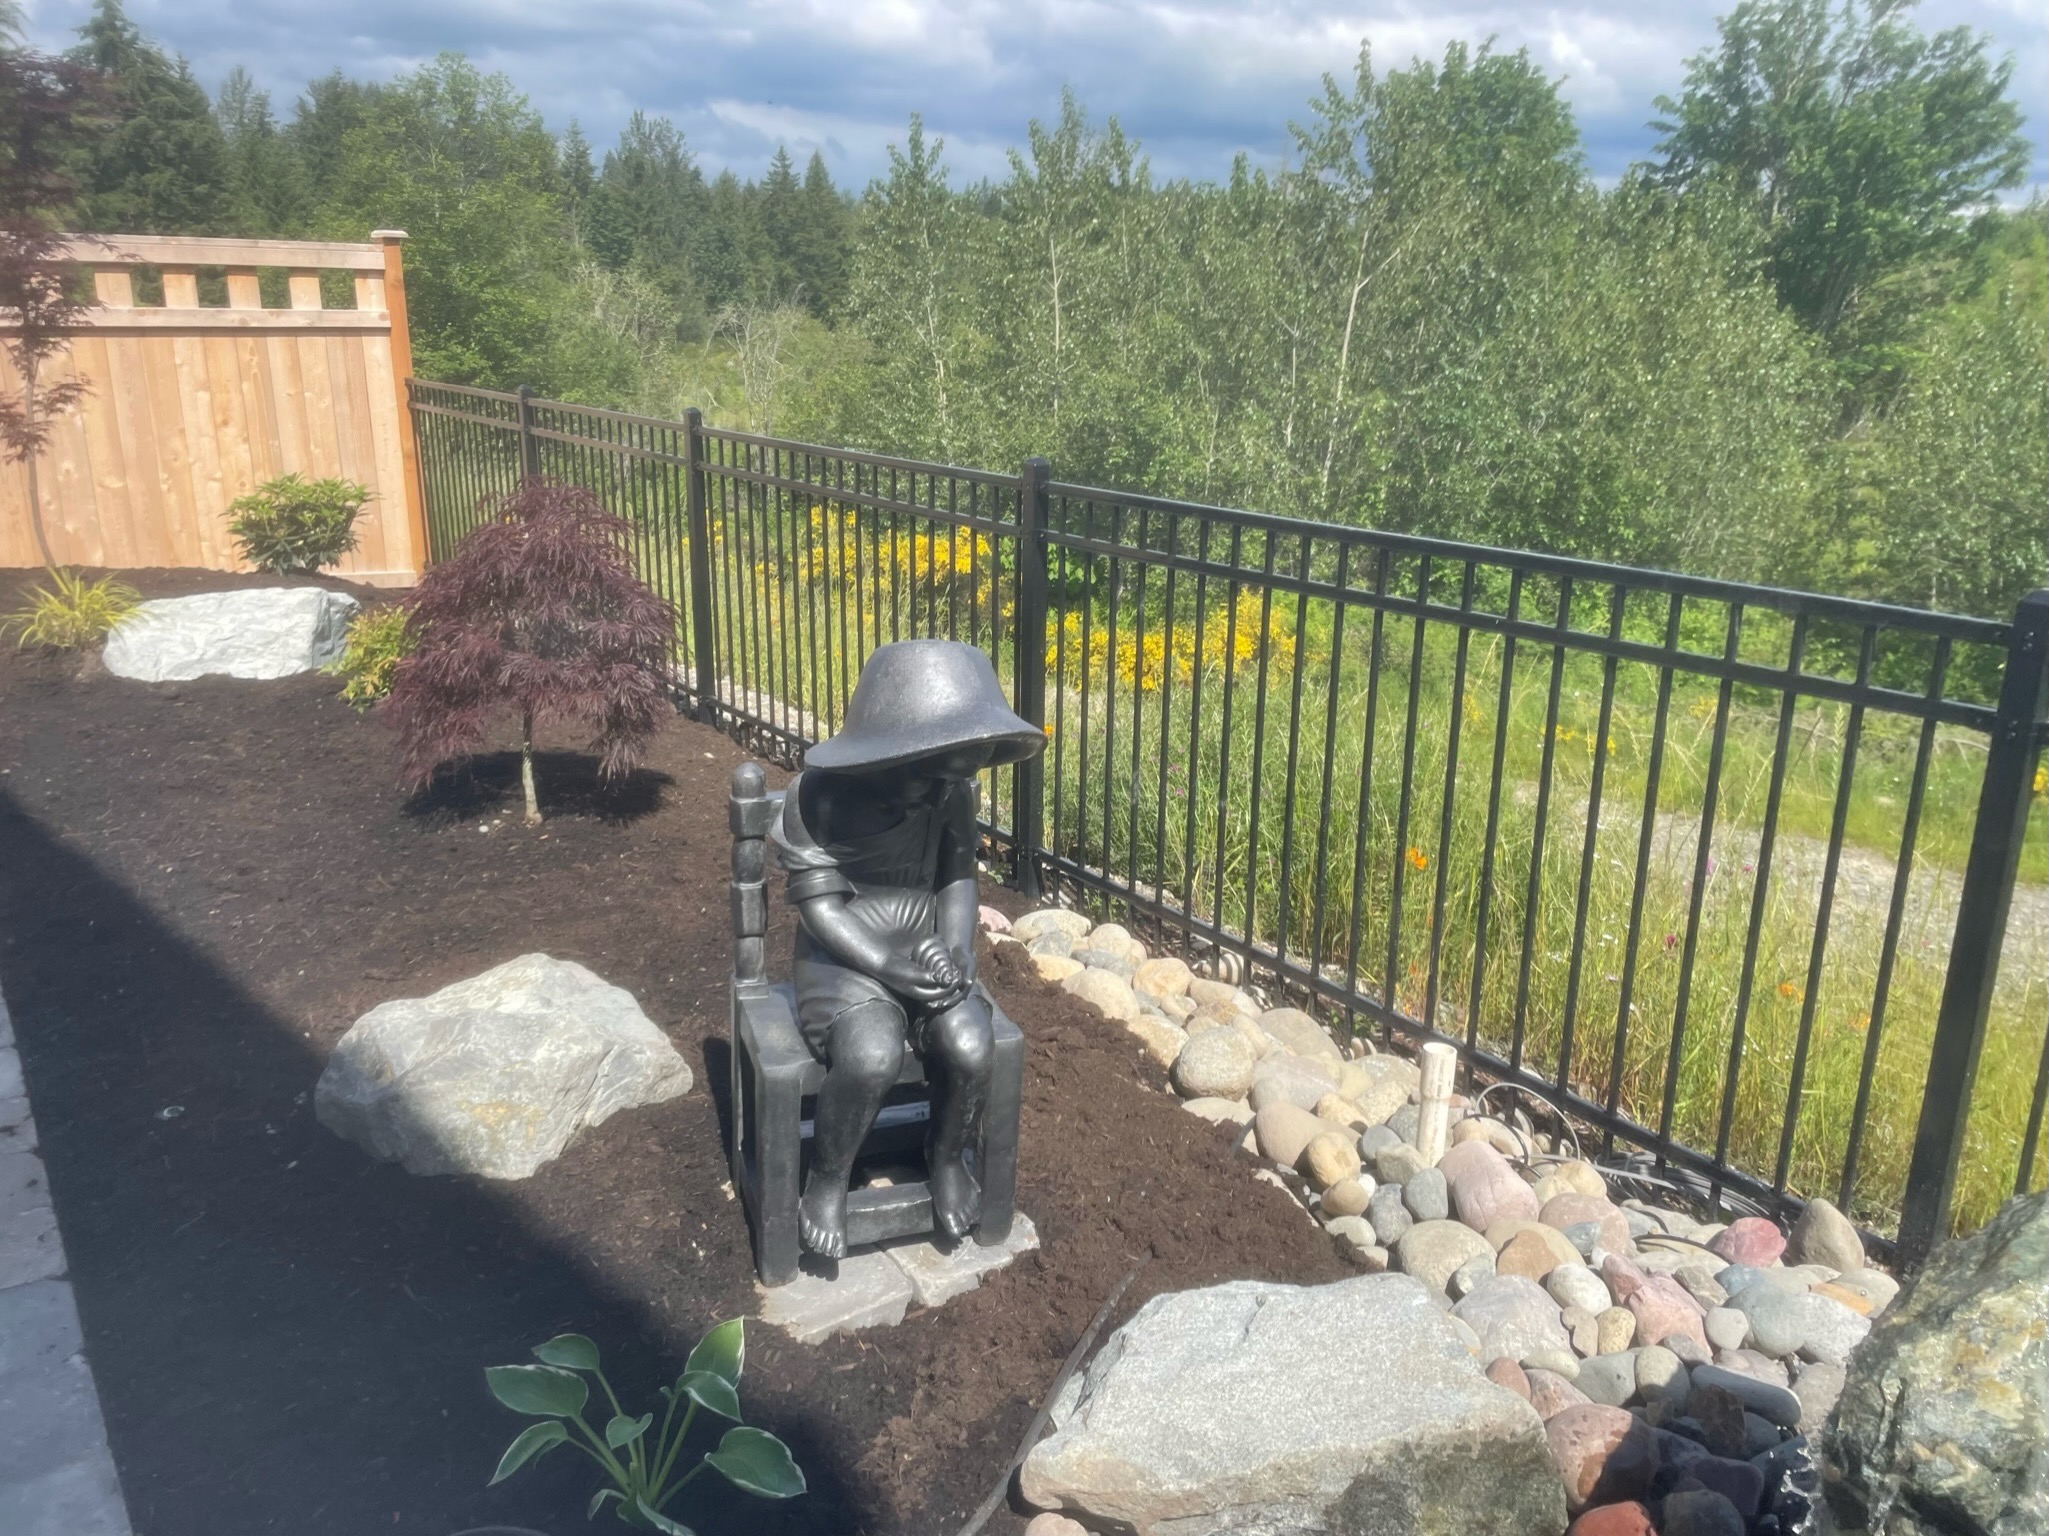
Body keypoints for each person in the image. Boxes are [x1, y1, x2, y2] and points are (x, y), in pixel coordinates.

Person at [769, 640, 1044, 1259]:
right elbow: (819, 908)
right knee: (870, 1057)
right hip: (842, 957)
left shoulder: (950, 791)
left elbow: (957, 878)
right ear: (884, 752)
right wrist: (887, 965)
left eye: (957, 774)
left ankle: (944, 1155)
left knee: (972, 1046)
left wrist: (957, 948)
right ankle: (828, 1177)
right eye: (928, 773)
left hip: (923, 946)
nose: (940, 791)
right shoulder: (819, 796)